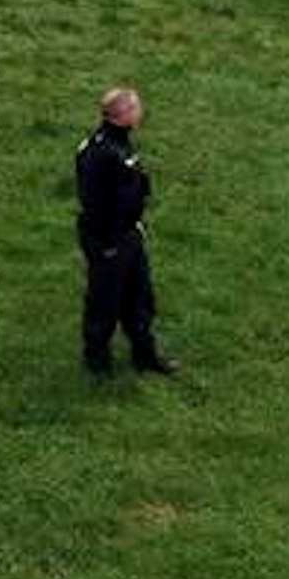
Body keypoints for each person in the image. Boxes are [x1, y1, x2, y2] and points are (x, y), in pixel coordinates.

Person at [75, 87, 176, 377]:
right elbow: (95, 203)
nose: (141, 113)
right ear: (124, 116)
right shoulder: (103, 153)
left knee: (140, 297)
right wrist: (107, 243)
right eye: (136, 108)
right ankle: (97, 363)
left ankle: (145, 355)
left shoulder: (116, 145)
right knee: (104, 302)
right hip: (110, 239)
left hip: (127, 234)